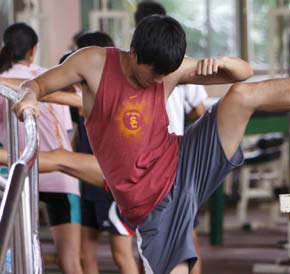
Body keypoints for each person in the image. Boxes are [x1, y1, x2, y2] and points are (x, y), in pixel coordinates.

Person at [14, 15, 290, 274]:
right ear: (134, 54)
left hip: (183, 159)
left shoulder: (170, 68)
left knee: (241, 95)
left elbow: (244, 74)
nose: (162, 80)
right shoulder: (93, 63)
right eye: (155, 74)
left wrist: (223, 63)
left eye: (167, 74)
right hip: (153, 208)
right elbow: (39, 84)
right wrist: (29, 99)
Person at [0, 23, 83, 274]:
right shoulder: (51, 78)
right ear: (33, 51)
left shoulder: (3, 84)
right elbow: (66, 129)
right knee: (70, 261)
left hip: (18, 175)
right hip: (61, 176)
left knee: (12, 254)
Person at [134, 3, 208, 274]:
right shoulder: (181, 60)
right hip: (174, 159)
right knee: (186, 233)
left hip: (144, 163)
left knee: (147, 239)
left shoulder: (133, 62)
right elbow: (200, 111)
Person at [73, 31, 140, 274]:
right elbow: (77, 136)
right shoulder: (82, 89)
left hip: (113, 185)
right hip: (88, 183)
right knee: (84, 254)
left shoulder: (117, 92)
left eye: (80, 56)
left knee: (121, 254)